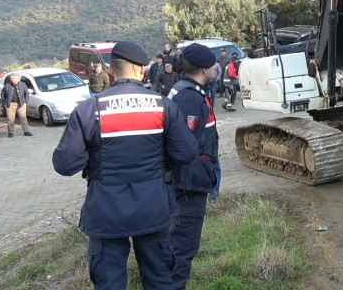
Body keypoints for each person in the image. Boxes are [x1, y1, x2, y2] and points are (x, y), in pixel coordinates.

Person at [52, 41, 198, 290]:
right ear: (142, 70)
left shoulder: (89, 110)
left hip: (106, 212)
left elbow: (65, 164)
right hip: (153, 207)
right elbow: (187, 152)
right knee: (160, 281)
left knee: (109, 284)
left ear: (111, 70)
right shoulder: (164, 106)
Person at [167, 43, 220, 289]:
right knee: (183, 246)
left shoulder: (184, 90)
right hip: (188, 182)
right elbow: (187, 144)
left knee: (179, 245)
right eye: (212, 66)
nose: (215, 69)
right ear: (204, 69)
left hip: (188, 179)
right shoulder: (189, 96)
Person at [2, 73, 32, 137]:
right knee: (10, 119)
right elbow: (3, 94)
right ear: (10, 79)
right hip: (10, 104)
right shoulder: (7, 85)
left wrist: (25, 101)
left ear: (18, 79)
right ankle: (10, 133)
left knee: (23, 118)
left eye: (16, 78)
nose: (15, 80)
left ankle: (26, 131)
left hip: (21, 104)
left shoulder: (23, 84)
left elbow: (26, 93)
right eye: (13, 78)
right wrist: (5, 102)